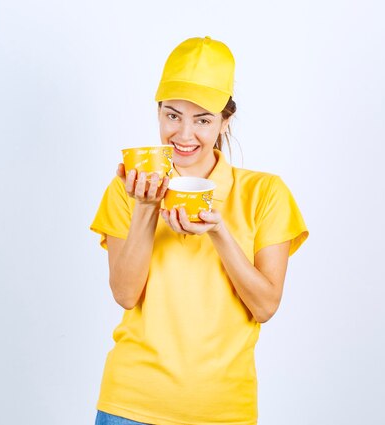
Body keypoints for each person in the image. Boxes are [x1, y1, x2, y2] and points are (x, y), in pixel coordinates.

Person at [90, 36, 309, 425]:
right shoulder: (129, 189)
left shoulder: (265, 193)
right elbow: (125, 295)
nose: (184, 135)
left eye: (203, 119)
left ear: (225, 121)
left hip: (223, 411)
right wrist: (145, 208)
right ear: (158, 113)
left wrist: (219, 231)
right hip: (131, 405)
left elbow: (265, 306)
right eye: (172, 115)